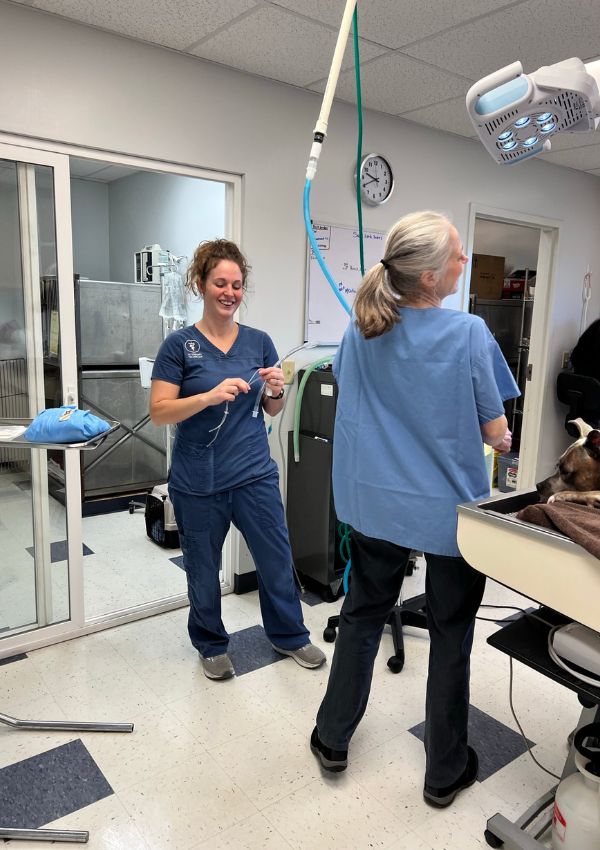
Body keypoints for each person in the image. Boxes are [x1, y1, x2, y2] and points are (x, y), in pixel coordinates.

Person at [310, 211, 519, 807]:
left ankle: (331, 739)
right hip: (448, 514)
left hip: (374, 503)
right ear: (429, 275)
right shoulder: (469, 334)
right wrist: (499, 441)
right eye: (457, 254)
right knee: (451, 634)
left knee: (361, 617)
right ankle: (444, 770)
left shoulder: (362, 331)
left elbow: (356, 397)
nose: (463, 261)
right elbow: (497, 431)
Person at [150, 239, 325, 680]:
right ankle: (210, 644)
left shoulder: (259, 342)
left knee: (275, 558)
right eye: (220, 283)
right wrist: (208, 395)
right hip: (198, 480)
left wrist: (276, 389)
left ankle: (290, 635)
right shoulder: (179, 346)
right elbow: (159, 412)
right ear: (202, 284)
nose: (229, 292)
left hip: (253, 473)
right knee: (203, 569)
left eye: (237, 285)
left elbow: (271, 409)